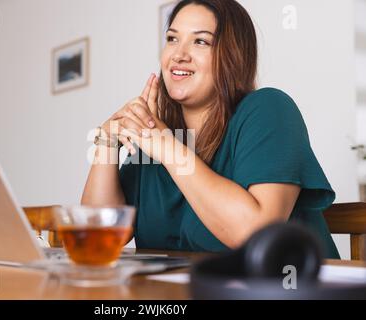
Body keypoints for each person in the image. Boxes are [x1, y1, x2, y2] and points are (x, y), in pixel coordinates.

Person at [81, 0, 340, 258]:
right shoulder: (156, 138)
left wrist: (166, 147)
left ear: (233, 54)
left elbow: (257, 234)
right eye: (172, 39)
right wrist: (107, 144)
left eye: (201, 41)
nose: (178, 54)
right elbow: (94, 237)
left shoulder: (270, 109)